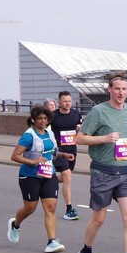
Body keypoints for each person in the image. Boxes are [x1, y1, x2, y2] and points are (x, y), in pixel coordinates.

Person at [74, 73, 127, 253]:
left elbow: (122, 135)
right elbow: (80, 138)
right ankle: (86, 252)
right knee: (99, 219)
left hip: (126, 171)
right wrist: (104, 138)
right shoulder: (98, 111)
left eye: (124, 89)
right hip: (103, 172)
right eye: (117, 89)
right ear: (109, 89)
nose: (121, 93)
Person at [7, 105, 64, 253]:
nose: (43, 121)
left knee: (51, 207)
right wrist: (32, 161)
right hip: (30, 176)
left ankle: (51, 241)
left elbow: (51, 152)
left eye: (45, 118)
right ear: (33, 119)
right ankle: (15, 224)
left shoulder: (49, 133)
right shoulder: (29, 136)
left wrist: (63, 155)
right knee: (30, 208)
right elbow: (15, 156)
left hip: (48, 174)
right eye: (39, 118)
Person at [49, 90, 83, 221]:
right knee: (67, 177)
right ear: (59, 102)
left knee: (65, 177)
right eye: (65, 101)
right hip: (59, 151)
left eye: (69, 101)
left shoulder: (76, 114)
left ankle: (46, 180)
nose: (68, 103)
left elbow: (81, 127)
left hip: (72, 149)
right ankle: (69, 210)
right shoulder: (53, 116)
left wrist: (80, 128)